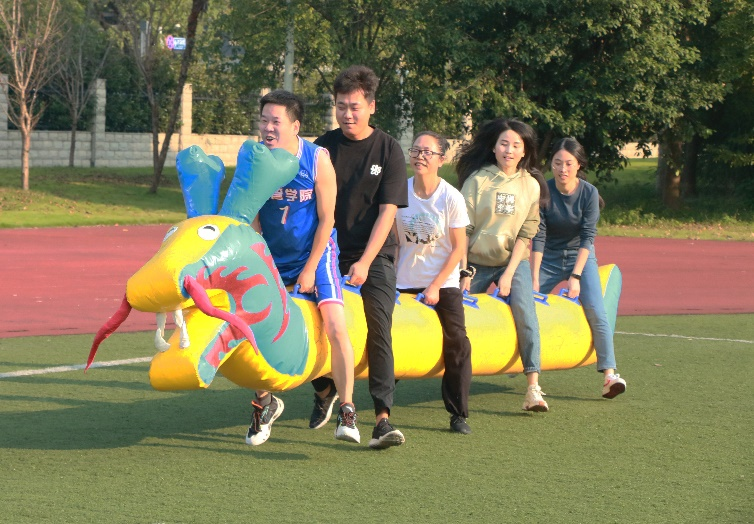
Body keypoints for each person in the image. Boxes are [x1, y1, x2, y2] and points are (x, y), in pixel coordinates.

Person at [245, 89, 360, 446]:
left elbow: (327, 220)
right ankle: (264, 403)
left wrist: (310, 269)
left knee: (335, 326)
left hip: (316, 253)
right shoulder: (256, 158)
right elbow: (250, 213)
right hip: (273, 255)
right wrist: (260, 255)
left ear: (295, 126)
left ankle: (347, 409)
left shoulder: (317, 159)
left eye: (276, 121)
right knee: (256, 327)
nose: (268, 127)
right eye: (264, 120)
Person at [311, 65, 409, 449]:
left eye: (354, 107)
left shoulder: (388, 149)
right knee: (312, 317)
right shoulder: (322, 148)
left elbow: (388, 213)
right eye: (340, 106)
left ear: (371, 106)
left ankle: (382, 419)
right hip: (328, 250)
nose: (347, 114)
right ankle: (324, 389)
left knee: (378, 327)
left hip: (375, 254)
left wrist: (366, 262)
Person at [456, 118, 550, 412]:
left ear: (525, 151)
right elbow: (463, 230)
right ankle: (452, 377)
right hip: (475, 261)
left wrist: (509, 274)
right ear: (494, 148)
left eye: (516, 145)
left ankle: (533, 388)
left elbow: (527, 232)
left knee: (526, 314)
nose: (509, 150)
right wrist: (464, 271)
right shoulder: (477, 180)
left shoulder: (531, 185)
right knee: (455, 313)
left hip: (513, 261)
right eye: (504, 144)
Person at [531, 137, 627, 398]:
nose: (562, 169)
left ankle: (609, 375)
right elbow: (538, 237)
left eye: (568, 163)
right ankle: (525, 365)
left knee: (596, 311)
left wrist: (576, 275)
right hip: (549, 257)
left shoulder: (589, 193)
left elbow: (588, 237)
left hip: (581, 257)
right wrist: (534, 278)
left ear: (579, 165)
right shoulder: (543, 191)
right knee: (525, 302)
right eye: (557, 163)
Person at [395, 131, 473, 434]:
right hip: (404, 280)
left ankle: (458, 414)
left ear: (441, 159)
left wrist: (436, 286)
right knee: (389, 338)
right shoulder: (400, 192)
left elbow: (459, 247)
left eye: (428, 152)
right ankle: (380, 403)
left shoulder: (451, 197)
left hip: (443, 283)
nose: (420, 156)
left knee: (457, 341)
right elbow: (392, 239)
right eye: (416, 150)